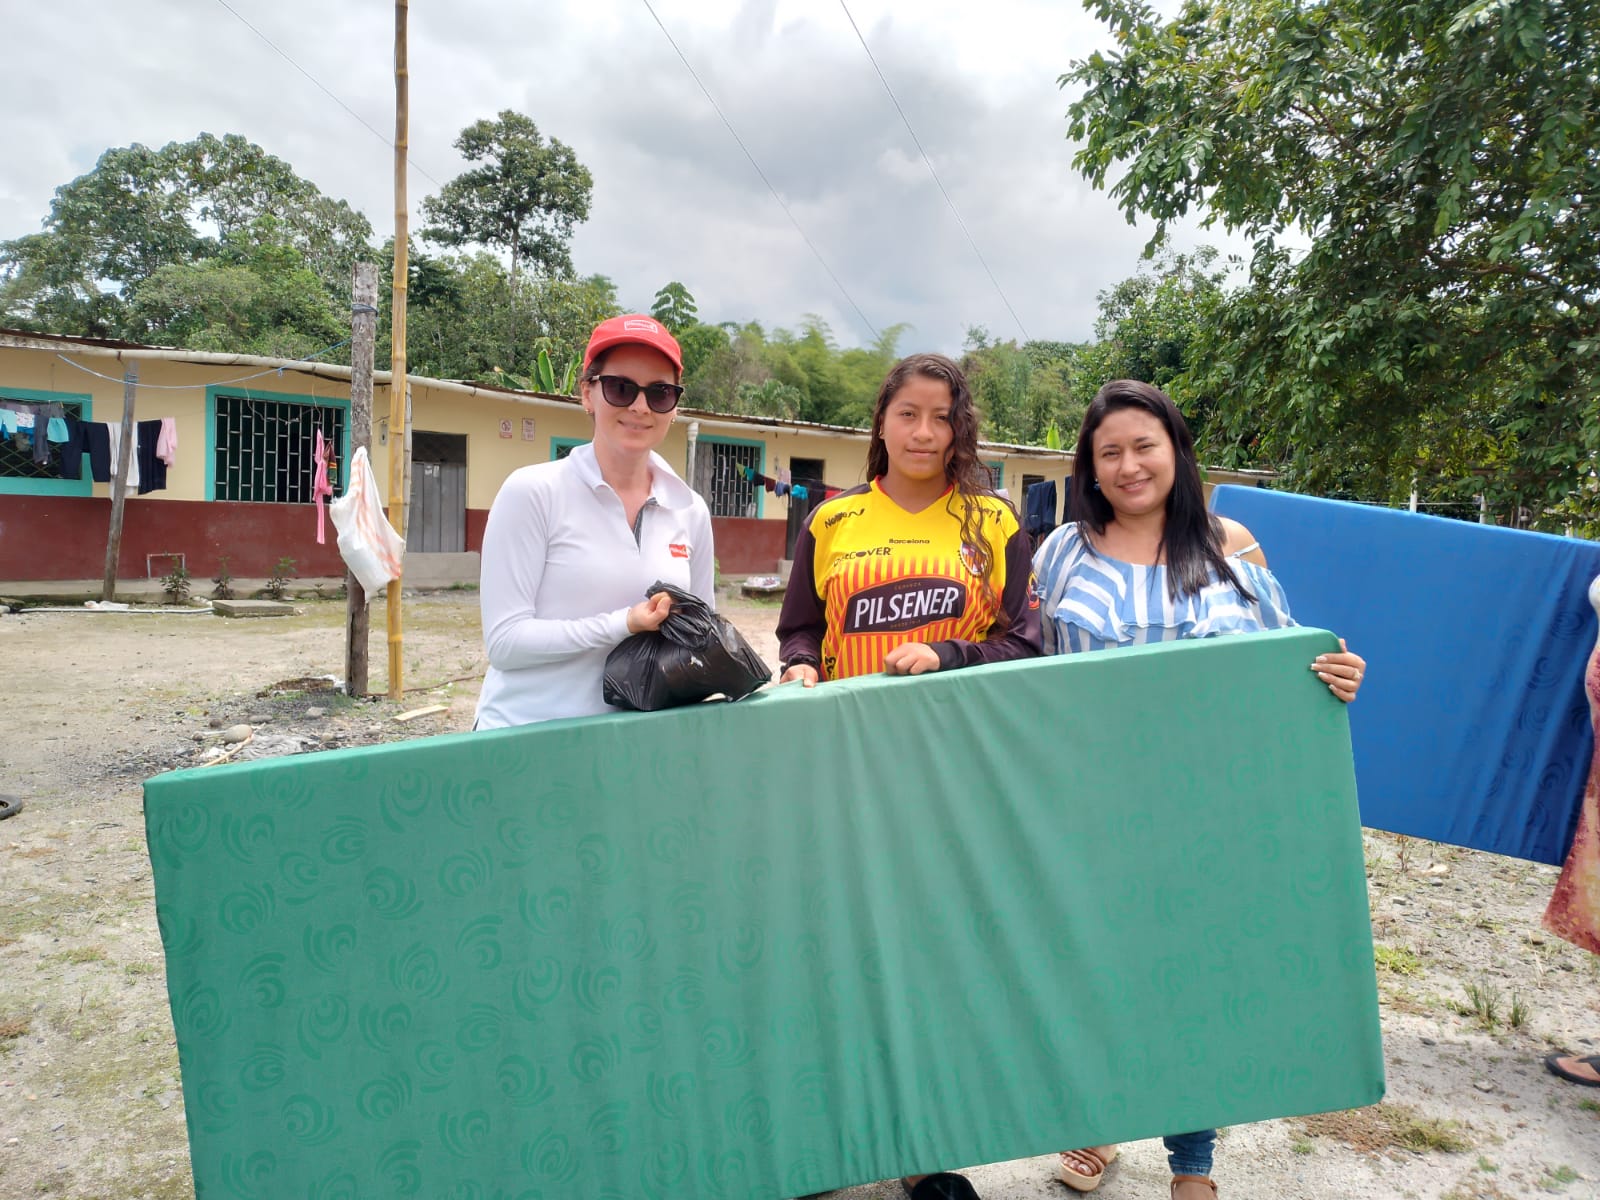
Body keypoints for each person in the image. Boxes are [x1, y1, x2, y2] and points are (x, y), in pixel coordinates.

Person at [1032, 380, 1367, 1200]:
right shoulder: (1061, 551)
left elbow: (1286, 661)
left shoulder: (1233, 546)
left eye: (1144, 445)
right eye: (1110, 452)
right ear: (1090, 468)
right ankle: (1096, 1120)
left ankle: (1193, 1165)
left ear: (1177, 450)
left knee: (1193, 980)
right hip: (1093, 808)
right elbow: (1028, 671)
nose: (1129, 465)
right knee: (1098, 970)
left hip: (1208, 811)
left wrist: (1338, 672)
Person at [775, 351, 1041, 1200]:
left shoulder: (992, 523)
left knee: (929, 961)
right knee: (833, 953)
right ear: (881, 423)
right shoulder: (832, 520)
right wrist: (799, 666)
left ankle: (922, 1151)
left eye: (942, 416)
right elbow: (798, 627)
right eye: (908, 414)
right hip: (840, 774)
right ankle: (821, 1146)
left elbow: (1025, 642)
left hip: (949, 779)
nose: (925, 432)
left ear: (961, 428)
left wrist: (950, 653)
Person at [474, 314, 714, 729]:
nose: (640, 407)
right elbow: (505, 643)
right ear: (588, 393)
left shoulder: (689, 509)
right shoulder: (533, 492)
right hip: (525, 736)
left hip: (633, 742)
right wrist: (623, 624)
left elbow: (702, 635)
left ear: (675, 407)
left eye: (660, 393)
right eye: (621, 388)